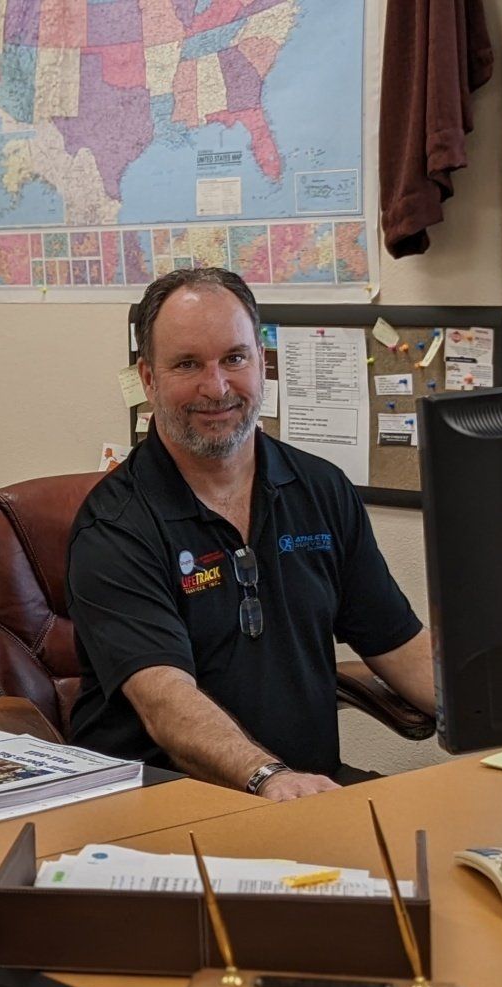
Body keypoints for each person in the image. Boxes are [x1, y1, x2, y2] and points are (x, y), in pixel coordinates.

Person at [65, 268, 434, 802]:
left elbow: (399, 646)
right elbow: (167, 703)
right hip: (163, 805)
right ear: (148, 379)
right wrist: (269, 778)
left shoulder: (321, 489)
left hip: (307, 794)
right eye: (188, 364)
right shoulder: (115, 527)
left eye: (234, 358)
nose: (216, 388)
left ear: (262, 364)